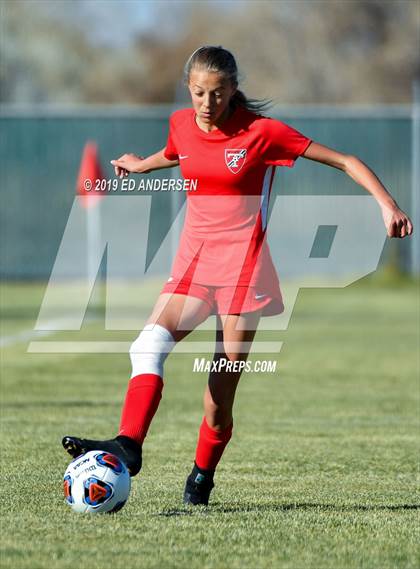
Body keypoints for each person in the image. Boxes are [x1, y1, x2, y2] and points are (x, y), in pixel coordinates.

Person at [62, 46, 413, 506]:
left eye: (218, 93)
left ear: (232, 89)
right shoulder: (181, 123)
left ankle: (201, 477)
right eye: (199, 93)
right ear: (188, 88)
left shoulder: (262, 133)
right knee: (147, 344)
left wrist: (387, 204)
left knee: (216, 403)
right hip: (193, 267)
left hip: (243, 279)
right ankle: (129, 444)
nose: (207, 104)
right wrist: (141, 165)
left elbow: (345, 160)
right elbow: (178, 152)